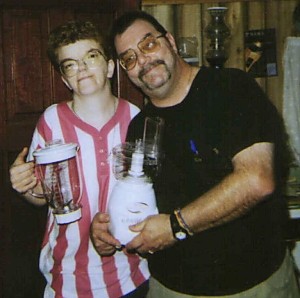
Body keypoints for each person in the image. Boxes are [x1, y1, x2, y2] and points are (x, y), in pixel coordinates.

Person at [90, 10, 300, 298]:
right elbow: (143, 206)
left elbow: (257, 180)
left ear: (172, 42)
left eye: (149, 44)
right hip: (170, 288)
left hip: (253, 287)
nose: (143, 60)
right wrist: (110, 229)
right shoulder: (140, 126)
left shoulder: (230, 88)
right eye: (129, 58)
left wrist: (175, 226)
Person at [9, 20, 150, 298]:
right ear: (64, 78)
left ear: (110, 67)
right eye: (70, 64)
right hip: (67, 277)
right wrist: (26, 186)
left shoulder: (136, 119)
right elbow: (42, 196)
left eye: (91, 57)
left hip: (132, 273)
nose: (81, 68)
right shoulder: (51, 121)